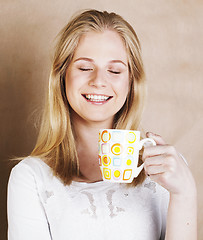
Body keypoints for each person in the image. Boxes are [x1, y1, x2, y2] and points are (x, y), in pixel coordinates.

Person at [7, 9, 197, 240]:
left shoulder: (169, 172)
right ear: (62, 76)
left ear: (131, 82)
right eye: (85, 67)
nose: (99, 81)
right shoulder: (30, 178)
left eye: (114, 70)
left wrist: (185, 194)